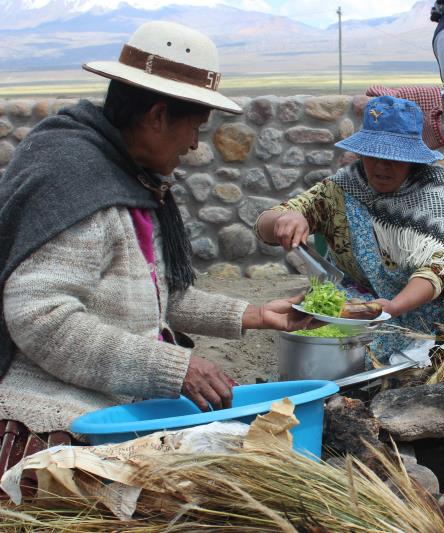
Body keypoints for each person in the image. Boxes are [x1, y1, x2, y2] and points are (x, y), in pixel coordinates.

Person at [0, 21, 314, 464]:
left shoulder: (128, 178)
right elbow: (40, 317)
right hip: (56, 416)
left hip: (113, 403)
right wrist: (173, 367)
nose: (192, 146)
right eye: (195, 129)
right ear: (157, 116)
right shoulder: (78, 184)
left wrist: (256, 314)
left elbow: (148, 296)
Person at [256, 96, 444, 362]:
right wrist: (285, 220)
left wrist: (394, 306)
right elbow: (265, 225)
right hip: (364, 303)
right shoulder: (341, 188)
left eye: (394, 158)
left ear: (413, 160)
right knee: (321, 345)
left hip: (434, 311)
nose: (382, 166)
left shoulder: (436, 194)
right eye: (373, 155)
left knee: (435, 362)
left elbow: (438, 269)